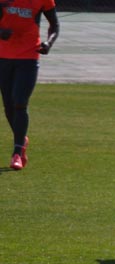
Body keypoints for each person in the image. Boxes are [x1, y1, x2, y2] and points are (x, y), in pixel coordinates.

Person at [0, 0, 59, 170]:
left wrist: (49, 43)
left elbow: (54, 24)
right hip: (3, 57)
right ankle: (22, 139)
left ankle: (17, 152)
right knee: (9, 106)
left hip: (28, 57)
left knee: (20, 102)